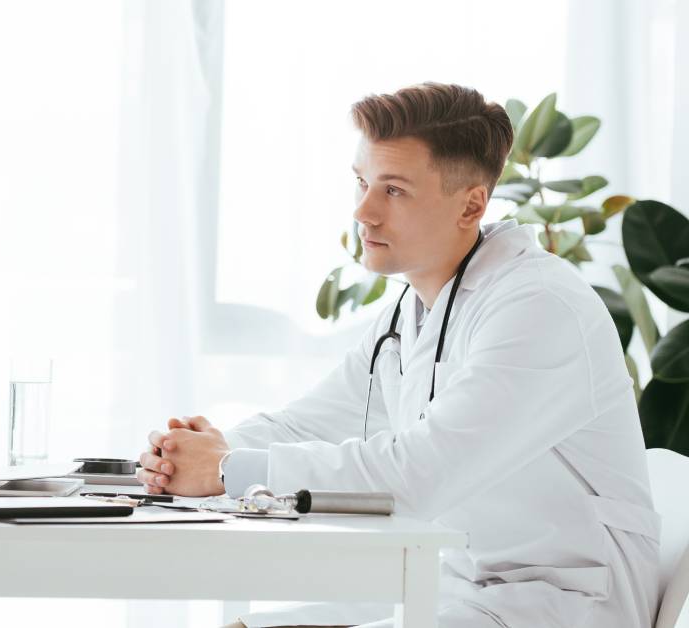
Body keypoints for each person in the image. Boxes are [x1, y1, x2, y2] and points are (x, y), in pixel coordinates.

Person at [138, 83, 659, 628]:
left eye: (394, 191)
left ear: (472, 204)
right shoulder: (414, 309)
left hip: (567, 601)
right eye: (362, 183)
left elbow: (418, 475)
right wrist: (193, 453)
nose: (363, 212)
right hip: (461, 586)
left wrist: (225, 470)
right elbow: (307, 421)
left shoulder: (540, 308)